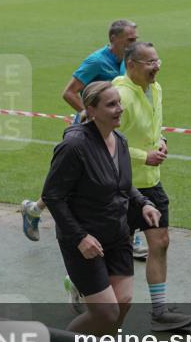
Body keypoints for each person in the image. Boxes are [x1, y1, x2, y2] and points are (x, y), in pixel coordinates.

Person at [41, 81, 161, 336]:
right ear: (91, 110)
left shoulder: (120, 139)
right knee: (105, 313)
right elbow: (52, 196)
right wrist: (80, 237)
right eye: (111, 105)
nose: (119, 109)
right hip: (85, 240)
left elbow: (124, 185)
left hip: (118, 234)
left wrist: (144, 204)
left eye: (119, 103)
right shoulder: (74, 147)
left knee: (123, 303)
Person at [20, 19, 139, 250]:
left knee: (107, 177)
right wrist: (90, 115)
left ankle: (35, 210)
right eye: (130, 40)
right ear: (114, 39)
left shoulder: (126, 62)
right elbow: (68, 92)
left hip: (109, 127)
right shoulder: (96, 61)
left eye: (136, 39)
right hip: (88, 131)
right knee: (79, 179)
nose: (134, 43)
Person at [112, 42, 191, 331]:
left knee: (160, 242)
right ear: (131, 64)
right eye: (149, 62)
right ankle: (81, 285)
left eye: (158, 60)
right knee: (113, 252)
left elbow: (155, 124)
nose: (156, 66)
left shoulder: (155, 88)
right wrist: (142, 156)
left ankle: (159, 311)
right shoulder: (120, 95)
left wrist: (161, 141)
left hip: (151, 183)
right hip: (120, 187)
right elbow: (105, 141)